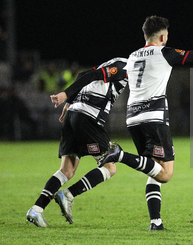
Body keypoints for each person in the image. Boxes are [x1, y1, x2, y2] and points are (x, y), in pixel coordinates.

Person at [99, 15, 193, 230]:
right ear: (163, 36)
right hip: (154, 118)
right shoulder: (164, 53)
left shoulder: (132, 56)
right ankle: (120, 154)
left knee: (154, 169)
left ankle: (156, 221)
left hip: (133, 118)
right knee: (166, 173)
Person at [26, 57, 128, 227]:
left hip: (73, 114)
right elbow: (90, 76)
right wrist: (66, 95)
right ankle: (69, 194)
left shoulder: (114, 62)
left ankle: (36, 209)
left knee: (67, 170)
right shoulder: (127, 67)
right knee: (110, 166)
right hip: (88, 116)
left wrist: (70, 102)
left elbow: (82, 74)